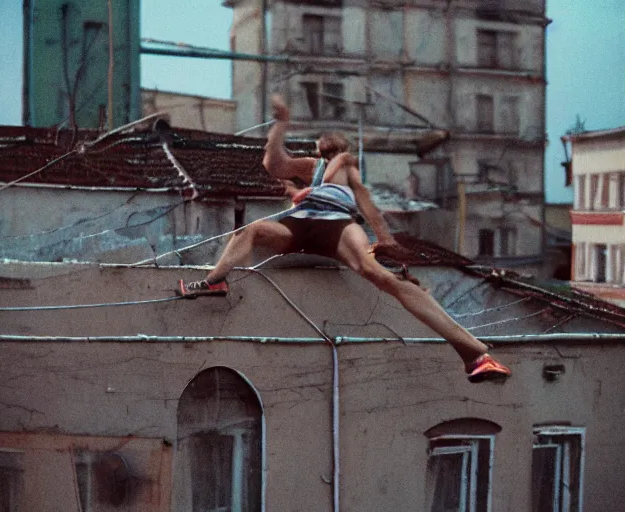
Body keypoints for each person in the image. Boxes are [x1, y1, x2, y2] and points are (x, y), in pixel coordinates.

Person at [179, 95, 511, 383]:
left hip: (338, 226)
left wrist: (384, 239)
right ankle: (214, 282)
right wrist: (281, 125)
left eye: (328, 146)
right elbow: (273, 164)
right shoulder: (313, 168)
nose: (323, 149)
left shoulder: (346, 169)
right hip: (302, 224)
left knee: (379, 276)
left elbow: (365, 200)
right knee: (250, 231)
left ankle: (476, 355)